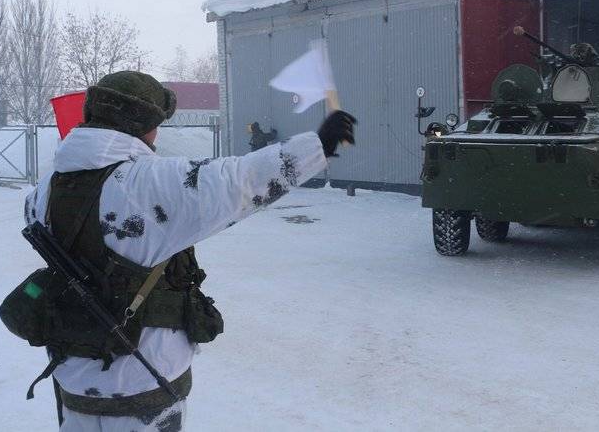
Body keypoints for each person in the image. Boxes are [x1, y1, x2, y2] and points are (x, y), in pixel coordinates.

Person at [21, 71, 356, 431]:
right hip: (143, 389)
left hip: (73, 384)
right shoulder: (146, 184)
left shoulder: (45, 190)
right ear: (144, 124)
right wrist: (317, 145)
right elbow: (237, 181)